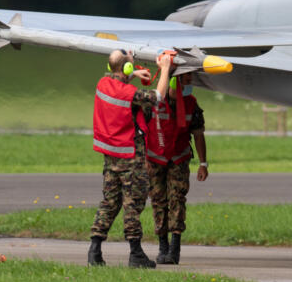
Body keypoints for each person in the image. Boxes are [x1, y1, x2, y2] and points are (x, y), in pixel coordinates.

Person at [88, 49, 172, 268]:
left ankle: (94, 251)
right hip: (130, 158)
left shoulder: (101, 84)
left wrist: (133, 73)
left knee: (109, 203)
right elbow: (158, 96)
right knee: (132, 205)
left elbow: (116, 78)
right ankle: (136, 254)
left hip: (110, 158)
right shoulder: (129, 94)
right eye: (131, 65)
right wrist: (164, 68)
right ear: (125, 67)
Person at [146, 72, 208, 265]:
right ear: (173, 81)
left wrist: (203, 163)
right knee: (158, 200)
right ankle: (162, 246)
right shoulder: (153, 101)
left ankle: (175, 248)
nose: (190, 84)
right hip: (155, 159)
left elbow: (198, 134)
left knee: (177, 199)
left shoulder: (191, 104)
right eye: (187, 80)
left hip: (178, 158)